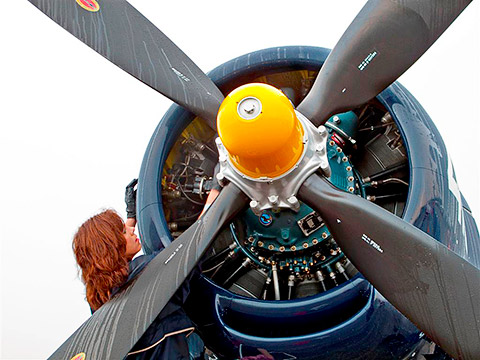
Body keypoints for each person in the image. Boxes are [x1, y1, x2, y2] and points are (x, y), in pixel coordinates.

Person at [72, 179, 205, 359]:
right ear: (113, 246)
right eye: (123, 231)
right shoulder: (146, 271)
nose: (131, 231)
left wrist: (131, 216)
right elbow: (189, 250)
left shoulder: (98, 298)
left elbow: (121, 274)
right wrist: (215, 194)